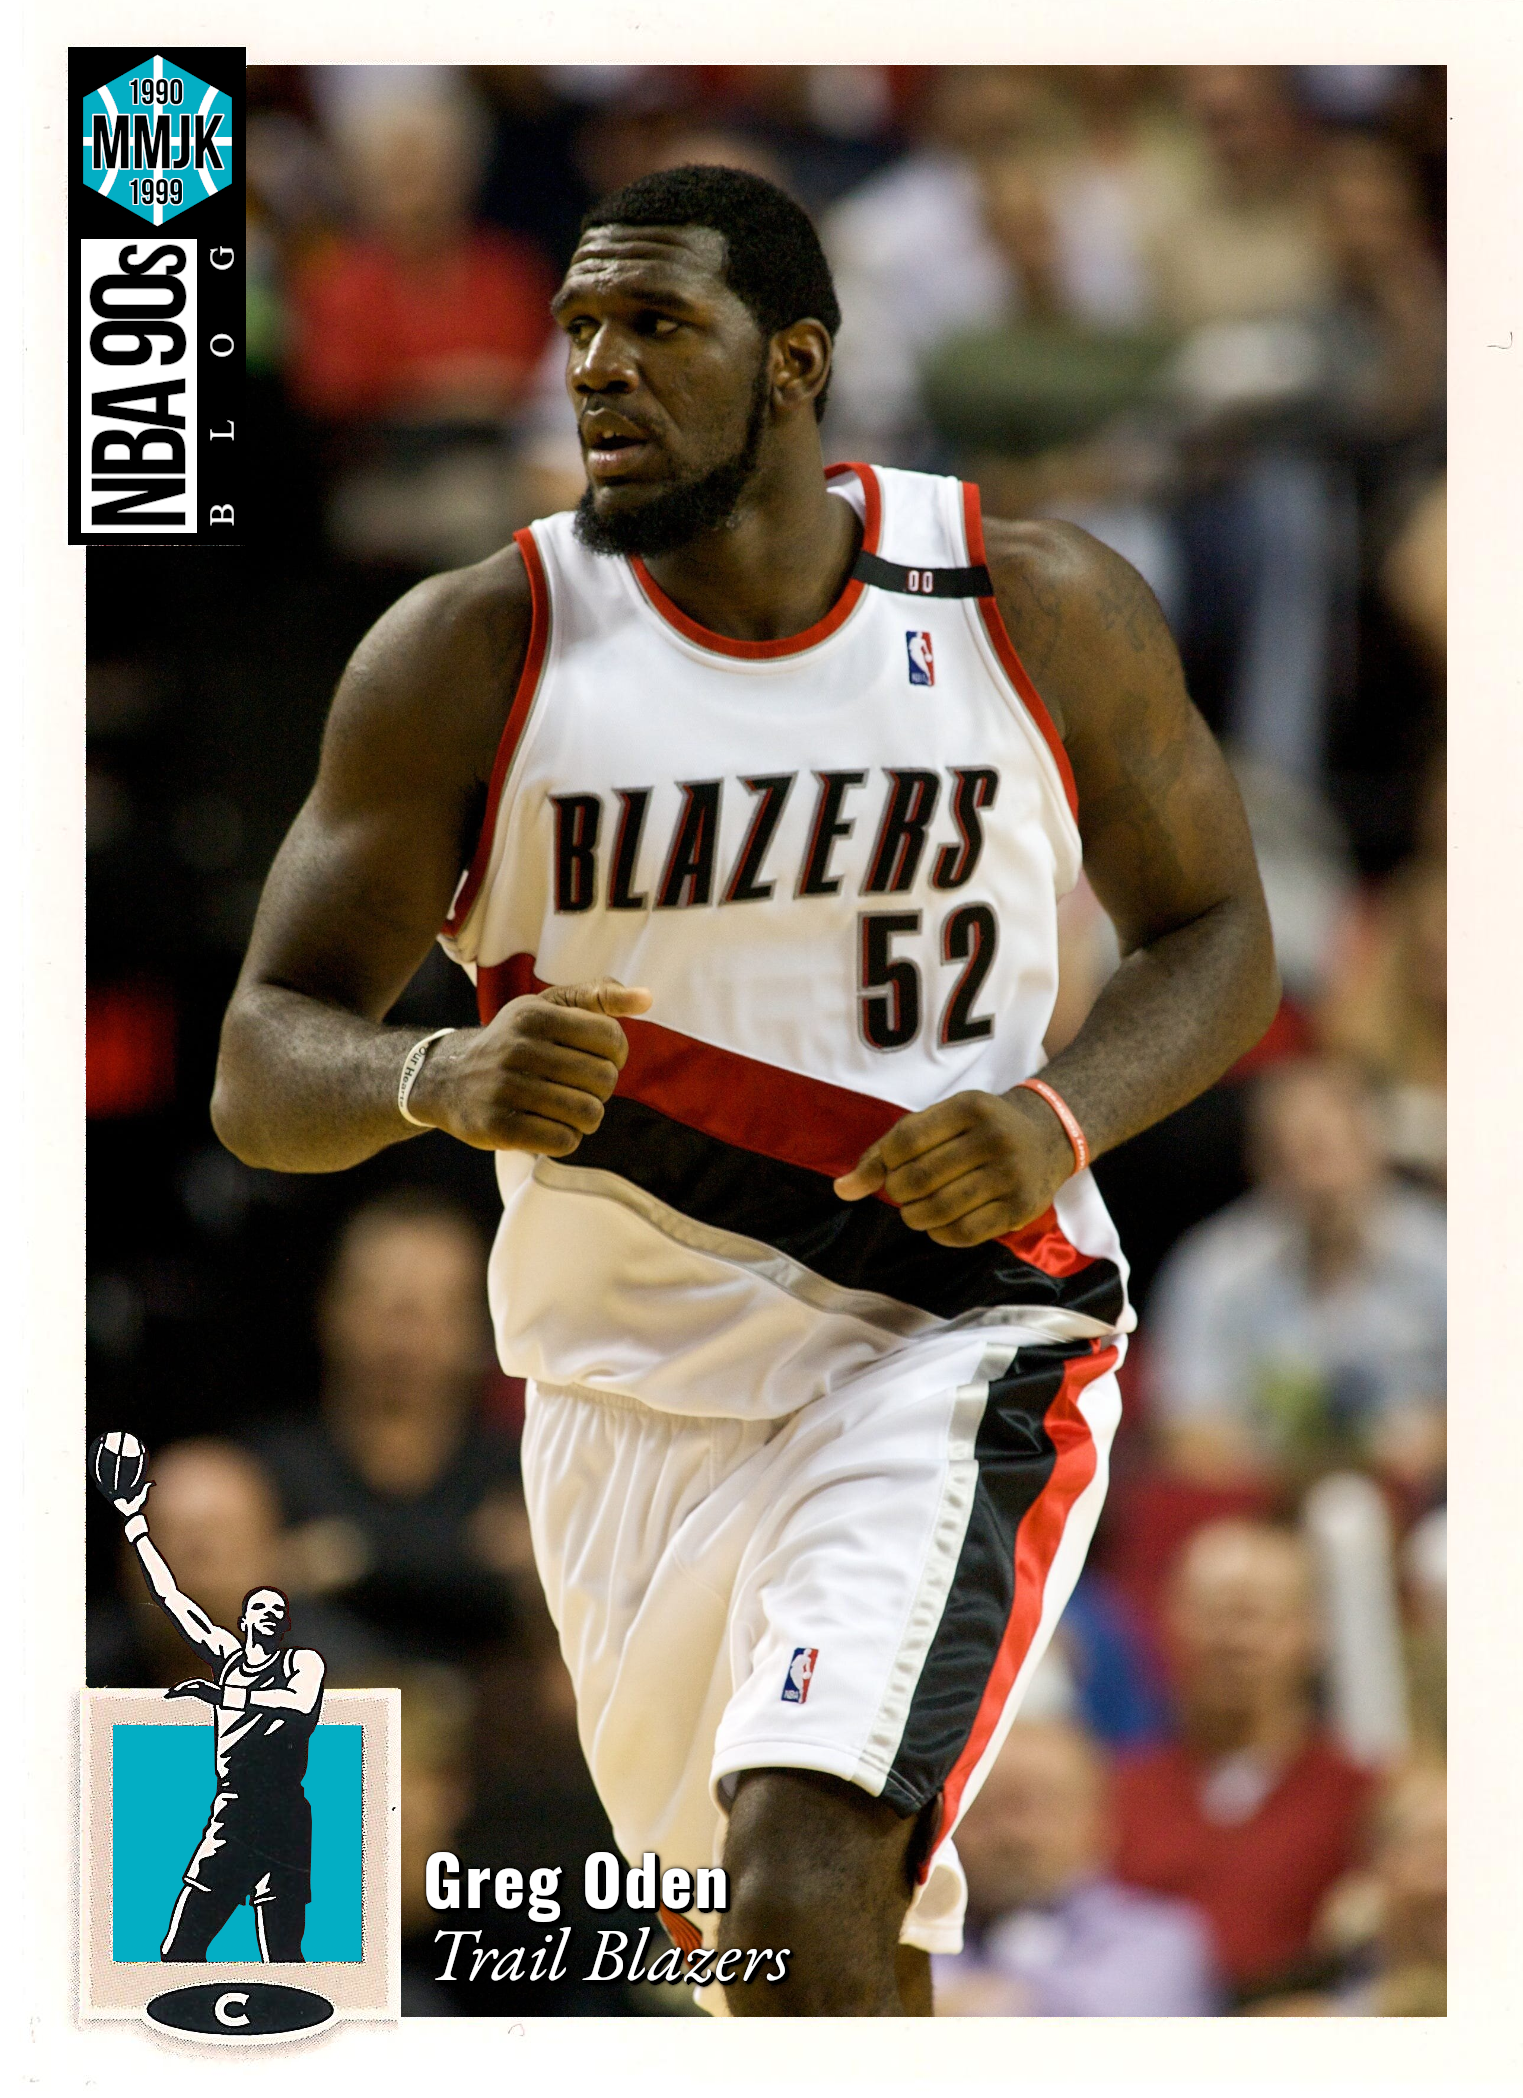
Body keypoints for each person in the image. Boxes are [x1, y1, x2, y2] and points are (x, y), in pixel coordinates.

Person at [211, 163, 1277, 2016]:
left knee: (805, 1855)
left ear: (794, 360)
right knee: (778, 1968)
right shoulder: (472, 648)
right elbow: (260, 1059)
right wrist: (433, 1072)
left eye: (656, 325)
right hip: (616, 1405)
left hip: (945, 1334)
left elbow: (1217, 938)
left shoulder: (1025, 603)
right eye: (579, 329)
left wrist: (1056, 1116)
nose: (598, 370)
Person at [1145, 1056, 1446, 1492]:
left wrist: (1435, 1438)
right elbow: (1183, 1429)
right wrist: (1296, 1469)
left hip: (1424, 1496)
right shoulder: (1215, 1267)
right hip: (1267, 1500)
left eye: (1336, 1150)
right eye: (1302, 1154)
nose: (1324, 1182)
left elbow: (1499, 1398)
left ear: (1376, 1145)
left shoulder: (1446, 1255)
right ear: (1263, 1163)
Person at [254, 1192, 528, 1664]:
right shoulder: (263, 1480)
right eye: (380, 1302)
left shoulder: (526, 1478)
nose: (403, 1339)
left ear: (480, 1328)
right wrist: (470, 1559)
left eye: (433, 1310)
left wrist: (347, 1556)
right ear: (329, 1309)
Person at [1111, 1520, 1376, 2000]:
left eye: (1259, 1617)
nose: (1234, 1642)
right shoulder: (1110, 1796)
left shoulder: (1369, 1799)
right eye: (1213, 1615)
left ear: (1314, 1632)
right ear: (1168, 1626)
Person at [108, 1471, 325, 1963]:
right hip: (233, 1811)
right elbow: (169, 1596)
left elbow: (299, 1704)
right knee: (176, 1951)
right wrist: (135, 1524)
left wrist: (222, 1695)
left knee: (286, 1959)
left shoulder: (306, 1663)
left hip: (285, 1814)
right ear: (244, 1622)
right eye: (259, 1609)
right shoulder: (224, 1658)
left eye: (275, 1608)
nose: (200, 1549)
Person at [933, 1718, 1219, 2015]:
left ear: (1100, 1822)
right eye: (986, 1808)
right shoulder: (914, 1934)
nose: (1014, 1836)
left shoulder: (1161, 1939)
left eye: (1041, 1808)